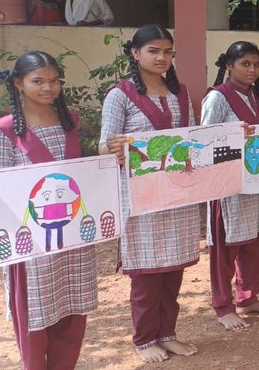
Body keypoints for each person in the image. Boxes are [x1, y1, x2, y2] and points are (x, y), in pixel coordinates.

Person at [99, 24, 200, 363]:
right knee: (146, 273)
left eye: (167, 52)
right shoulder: (120, 95)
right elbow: (104, 145)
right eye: (154, 51)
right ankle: (144, 338)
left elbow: (193, 139)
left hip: (178, 192)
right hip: (141, 198)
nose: (161, 58)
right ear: (135, 53)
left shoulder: (181, 93)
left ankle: (168, 333)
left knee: (173, 270)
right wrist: (112, 148)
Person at [0, 52, 97, 370]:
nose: (48, 88)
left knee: (72, 309)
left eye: (54, 81)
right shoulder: (4, 132)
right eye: (38, 81)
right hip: (31, 244)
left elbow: (83, 174)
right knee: (34, 315)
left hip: (71, 237)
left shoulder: (70, 123)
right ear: (18, 83)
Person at [202, 42, 259, 330]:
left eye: (256, 64)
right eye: (245, 64)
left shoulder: (256, 97)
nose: (252, 70)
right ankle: (222, 305)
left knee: (256, 240)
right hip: (229, 185)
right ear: (229, 66)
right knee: (227, 245)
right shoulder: (217, 98)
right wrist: (233, 134)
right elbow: (206, 140)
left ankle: (247, 296)